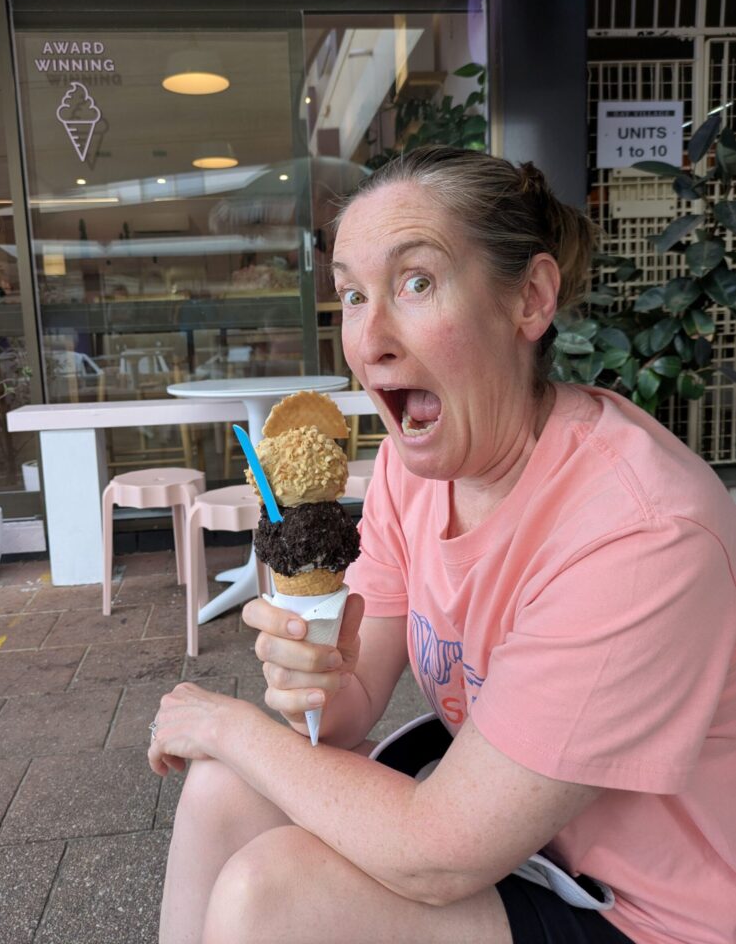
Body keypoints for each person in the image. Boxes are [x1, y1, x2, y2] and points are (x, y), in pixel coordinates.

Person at [148, 147, 736, 944]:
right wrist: (311, 678)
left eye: (415, 282)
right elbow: (351, 710)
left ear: (528, 299)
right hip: (526, 847)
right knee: (223, 790)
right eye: (353, 295)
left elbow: (438, 854)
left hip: (648, 916)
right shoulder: (409, 468)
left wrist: (226, 724)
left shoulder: (638, 533)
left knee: (270, 894)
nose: (371, 339)